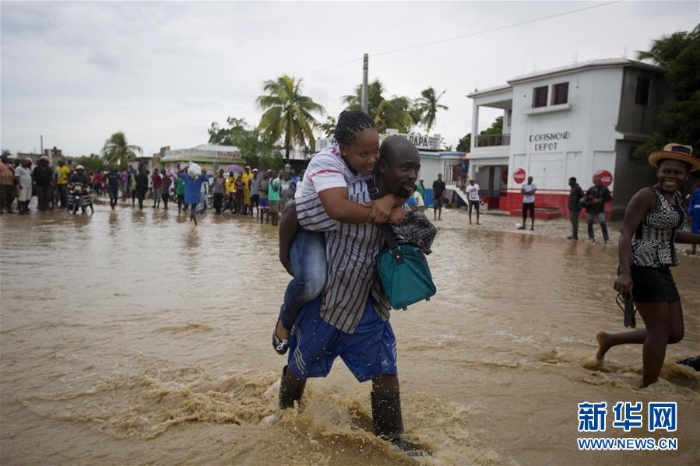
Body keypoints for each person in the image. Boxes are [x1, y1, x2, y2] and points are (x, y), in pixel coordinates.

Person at [278, 130, 433, 453]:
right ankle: (283, 416)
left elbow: (427, 235)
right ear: (382, 167)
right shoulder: (344, 197)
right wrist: (285, 257)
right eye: (404, 168)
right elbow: (293, 212)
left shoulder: (410, 201)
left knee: (386, 372)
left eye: (415, 169)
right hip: (328, 305)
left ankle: (393, 440)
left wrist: (394, 206)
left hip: (370, 308)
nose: (412, 176)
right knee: (298, 367)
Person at [595, 143, 700, 388]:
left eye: (678, 172)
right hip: (641, 266)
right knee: (659, 333)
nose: (671, 176)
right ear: (658, 171)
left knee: (675, 333)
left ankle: (609, 340)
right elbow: (625, 233)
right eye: (667, 170)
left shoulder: (675, 200)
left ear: (686, 176)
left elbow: (671, 235)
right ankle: (646, 388)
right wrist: (624, 272)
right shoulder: (646, 195)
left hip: (662, 267)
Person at [584, 176, 612, 243]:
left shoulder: (604, 189)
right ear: (594, 181)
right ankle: (591, 238)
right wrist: (589, 198)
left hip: (600, 209)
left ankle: (606, 239)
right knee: (590, 223)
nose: (597, 182)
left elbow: (609, 198)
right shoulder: (590, 189)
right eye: (596, 181)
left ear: (601, 181)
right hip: (590, 209)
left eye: (599, 181)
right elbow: (585, 198)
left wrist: (600, 200)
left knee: (603, 223)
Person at [686, 181, 700, 255]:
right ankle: (693, 250)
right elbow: (691, 202)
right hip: (697, 212)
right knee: (694, 231)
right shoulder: (697, 191)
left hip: (696, 212)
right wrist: (690, 213)